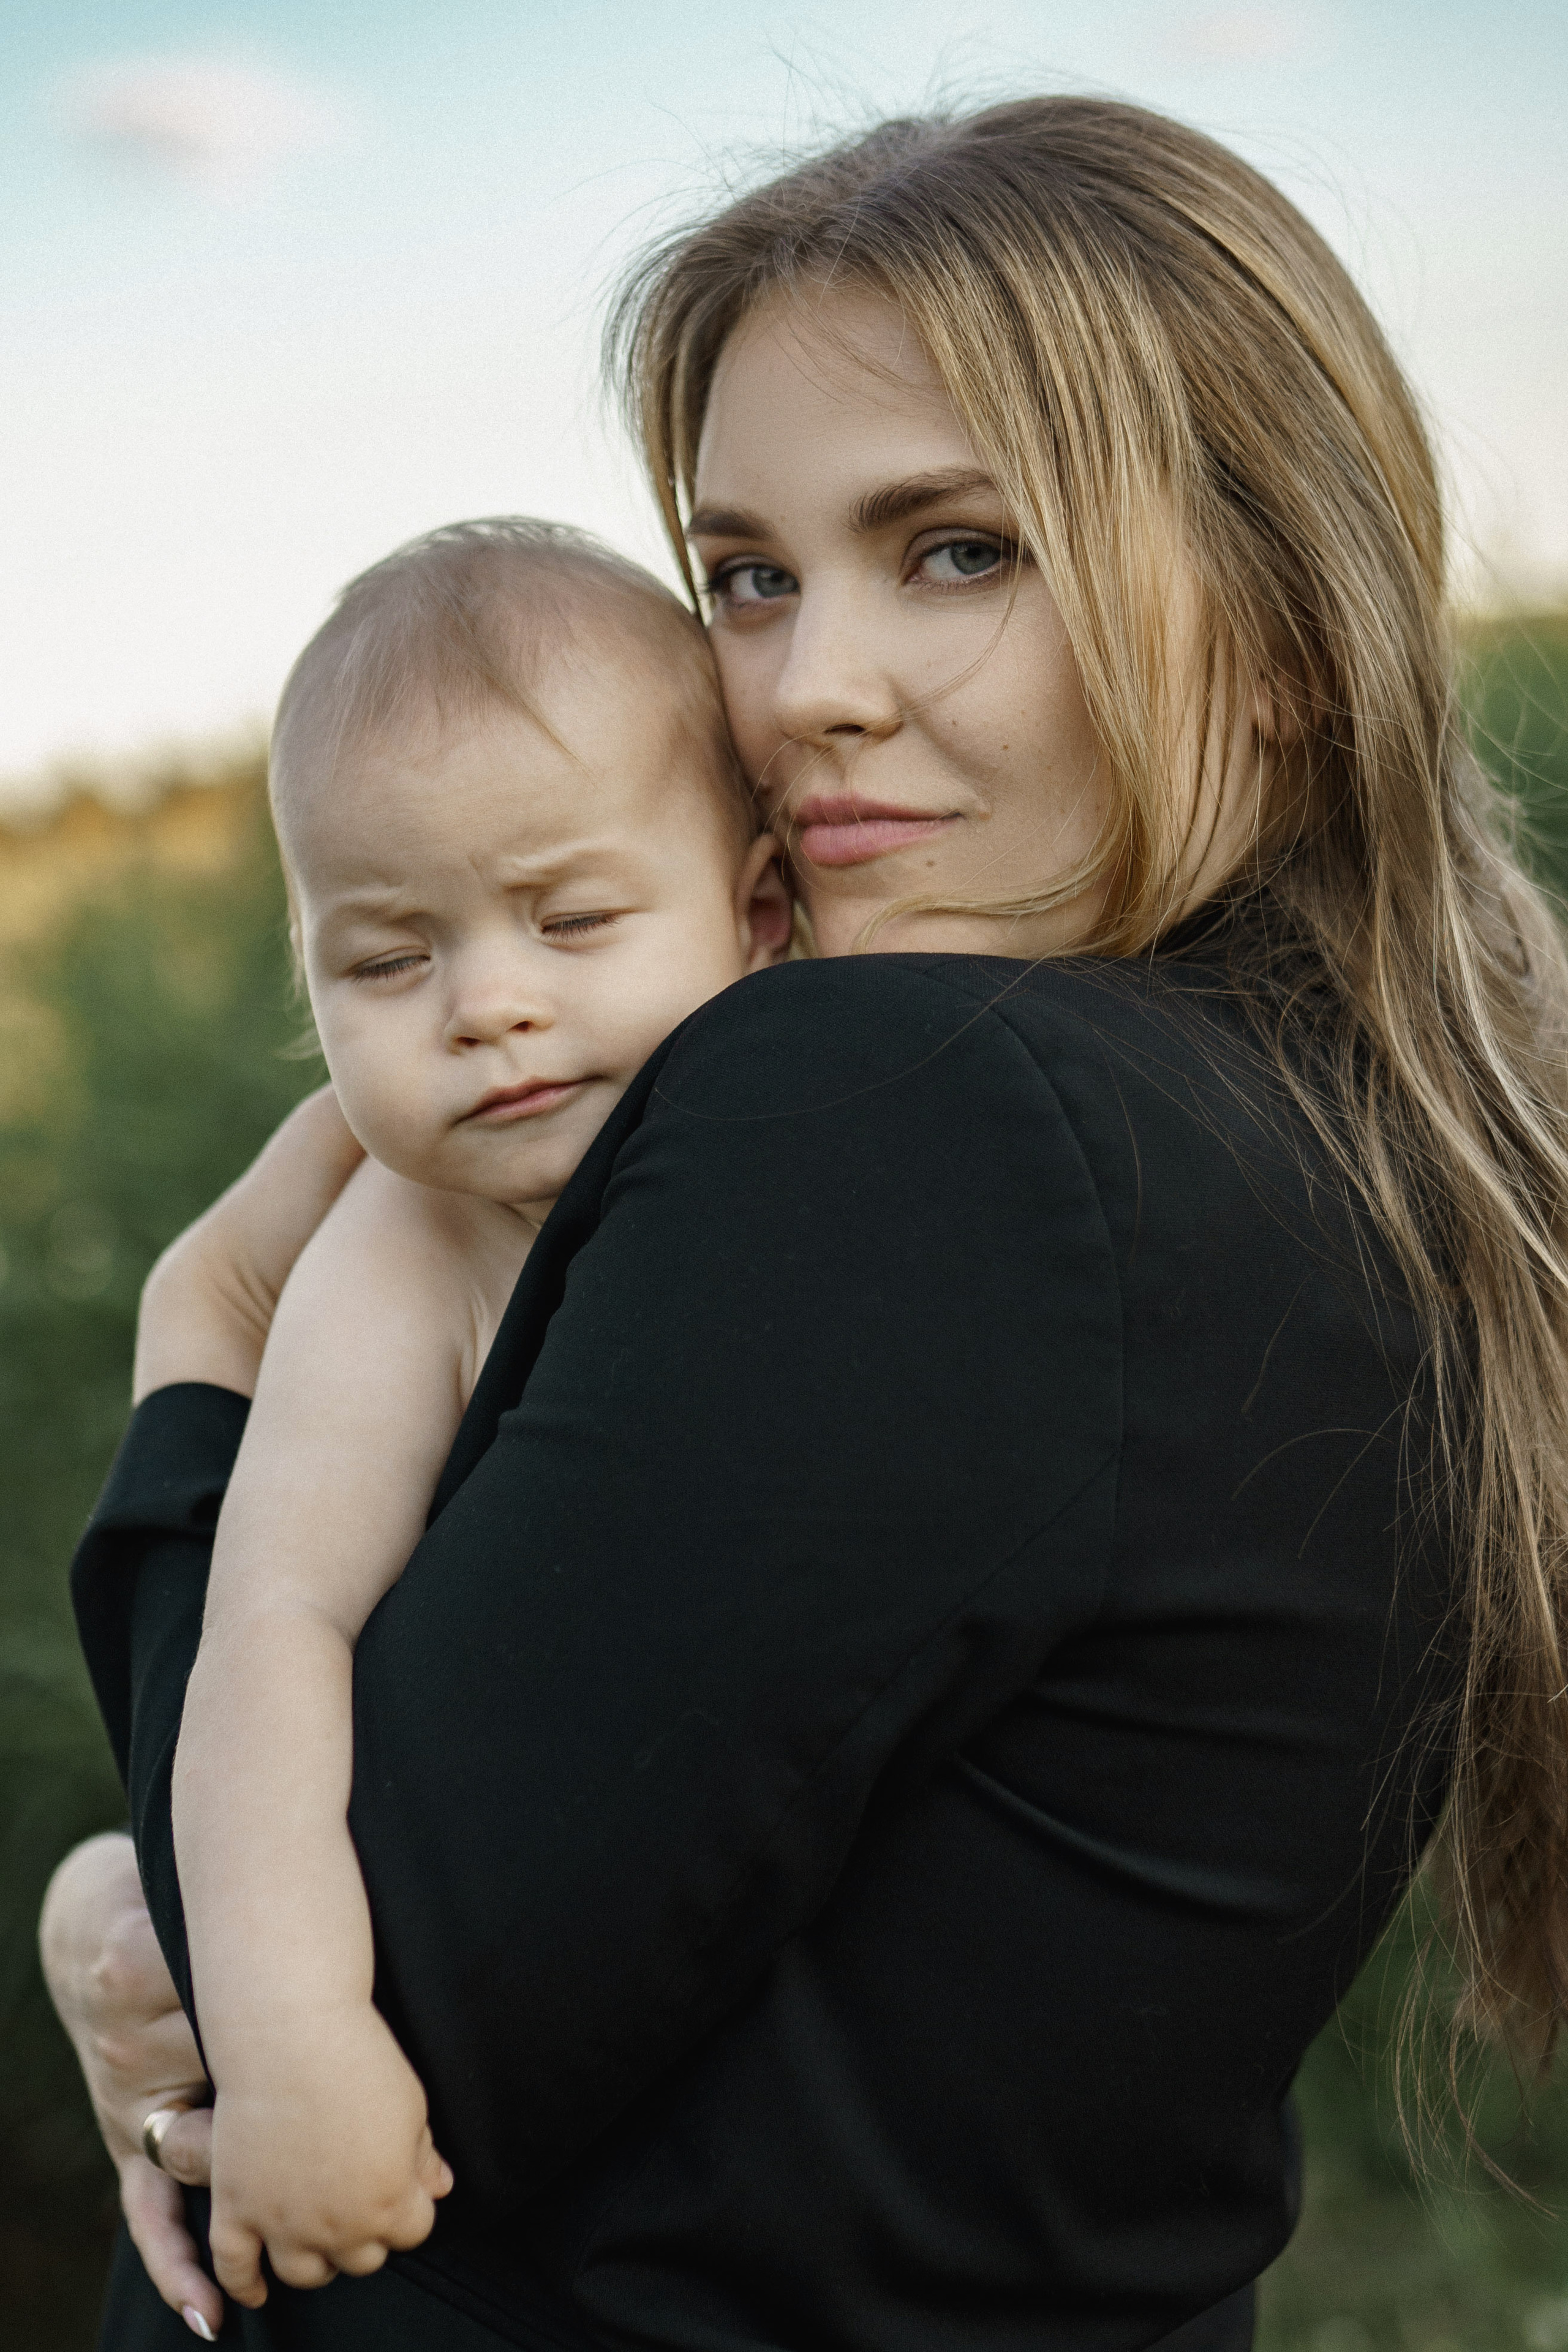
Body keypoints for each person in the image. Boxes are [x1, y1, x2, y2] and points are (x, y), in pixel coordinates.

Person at [48, 95, 1568, 2352]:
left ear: (1281, 635)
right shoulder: (1333, 1129)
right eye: (749, 576)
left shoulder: (921, 1103)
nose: (800, 692)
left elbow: (399, 1986)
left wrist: (206, 1344)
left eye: (956, 550)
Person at [165, 517, 794, 2310]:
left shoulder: (826, 1115)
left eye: (572, 920)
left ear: (757, 914)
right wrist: (290, 2039)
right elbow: (271, 1631)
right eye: (385, 962)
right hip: (498, 2094)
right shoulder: (403, 1251)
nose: (488, 1007)